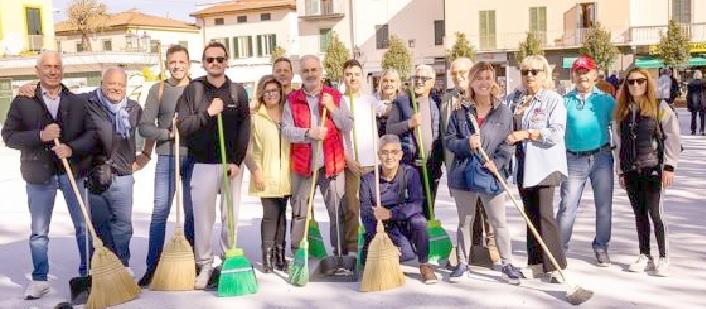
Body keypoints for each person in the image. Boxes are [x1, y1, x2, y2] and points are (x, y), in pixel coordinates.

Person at [1, 51, 94, 300]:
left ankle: (87, 275)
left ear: (62, 70)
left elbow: (91, 135)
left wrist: (71, 148)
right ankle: (40, 279)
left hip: (71, 172)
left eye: (57, 66)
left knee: (83, 227)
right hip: (38, 174)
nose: (52, 71)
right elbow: (8, 136)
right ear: (37, 70)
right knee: (39, 231)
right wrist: (39, 136)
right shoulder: (23, 101)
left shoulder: (76, 101)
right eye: (47, 67)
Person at [176, 42, 251, 289]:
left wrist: (237, 161)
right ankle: (205, 265)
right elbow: (183, 127)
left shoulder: (238, 92)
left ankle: (229, 260)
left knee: (230, 217)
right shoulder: (193, 91)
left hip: (231, 166)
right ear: (203, 63)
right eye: (210, 60)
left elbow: (244, 129)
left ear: (227, 61)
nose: (215, 63)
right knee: (203, 220)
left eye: (220, 59)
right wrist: (208, 113)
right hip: (203, 163)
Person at [444, 62, 522, 283]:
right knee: (465, 222)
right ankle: (462, 263)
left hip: (491, 173)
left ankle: (507, 263)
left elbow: (508, 144)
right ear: (471, 82)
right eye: (479, 78)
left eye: (488, 78)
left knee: (499, 221)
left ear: (493, 81)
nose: (484, 82)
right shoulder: (460, 111)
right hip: (463, 173)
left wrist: (497, 162)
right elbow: (449, 140)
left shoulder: (504, 112)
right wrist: (466, 142)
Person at [282, 55, 353, 255]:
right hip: (304, 165)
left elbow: (347, 125)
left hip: (331, 164)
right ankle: (298, 255)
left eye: (314, 70)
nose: (310, 74)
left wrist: (332, 109)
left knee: (336, 211)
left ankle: (340, 255)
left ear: (321, 71)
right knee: (299, 211)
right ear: (300, 74)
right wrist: (308, 133)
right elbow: (286, 131)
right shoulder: (293, 100)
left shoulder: (335, 96)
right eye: (306, 71)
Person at [505, 55, 568, 281]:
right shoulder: (514, 99)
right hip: (522, 165)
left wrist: (528, 133)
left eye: (535, 71)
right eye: (525, 72)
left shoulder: (553, 100)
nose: (529, 76)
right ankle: (535, 263)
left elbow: (557, 133)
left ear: (544, 74)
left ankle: (556, 266)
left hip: (545, 165)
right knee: (530, 215)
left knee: (544, 214)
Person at [614, 67, 681, 277]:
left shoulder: (660, 107)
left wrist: (669, 166)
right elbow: (618, 142)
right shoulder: (622, 111)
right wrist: (621, 172)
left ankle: (663, 257)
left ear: (647, 82)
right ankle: (645, 255)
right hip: (630, 168)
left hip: (652, 167)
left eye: (640, 81)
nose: (635, 85)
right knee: (639, 214)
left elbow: (672, 136)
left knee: (655, 213)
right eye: (631, 82)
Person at [137, 44, 195, 287]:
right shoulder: (158, 90)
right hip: (167, 157)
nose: (177, 66)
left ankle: (191, 264)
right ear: (167, 65)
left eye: (182, 62)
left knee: (192, 213)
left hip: (194, 158)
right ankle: (152, 266)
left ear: (189, 63)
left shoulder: (197, 88)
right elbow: (144, 126)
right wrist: (168, 132)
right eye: (173, 62)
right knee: (160, 212)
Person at [556, 55, 616, 267]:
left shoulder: (606, 100)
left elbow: (619, 126)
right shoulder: (564, 102)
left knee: (604, 206)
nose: (583, 76)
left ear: (595, 74)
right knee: (567, 206)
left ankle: (601, 246)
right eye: (579, 72)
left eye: (587, 72)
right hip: (573, 159)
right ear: (574, 75)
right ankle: (559, 249)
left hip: (601, 158)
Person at [84, 67, 143, 271]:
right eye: (112, 84)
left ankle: (122, 265)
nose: (116, 88)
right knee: (99, 224)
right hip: (96, 173)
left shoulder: (134, 108)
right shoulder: (87, 103)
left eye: (121, 85)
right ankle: (101, 267)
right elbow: (61, 97)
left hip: (124, 173)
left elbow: (144, 132)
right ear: (102, 83)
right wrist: (31, 89)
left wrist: (144, 155)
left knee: (123, 225)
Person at [359, 135, 437, 284]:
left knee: (419, 221)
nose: (389, 157)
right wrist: (380, 241)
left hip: (402, 221)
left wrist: (391, 213)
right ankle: (382, 252)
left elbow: (417, 204)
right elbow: (366, 214)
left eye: (394, 152)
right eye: (385, 152)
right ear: (378, 155)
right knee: (402, 254)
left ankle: (424, 264)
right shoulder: (368, 180)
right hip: (381, 228)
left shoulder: (410, 173)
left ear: (400, 155)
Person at [386, 64, 443, 219]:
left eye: (423, 78)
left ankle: (426, 240)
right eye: (416, 77)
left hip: (431, 165)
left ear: (432, 82)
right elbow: (390, 129)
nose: (418, 81)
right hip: (409, 164)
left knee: (428, 208)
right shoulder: (402, 101)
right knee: (409, 208)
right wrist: (409, 124)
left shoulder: (436, 102)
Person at [248, 75, 291, 272]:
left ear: (281, 93)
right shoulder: (256, 117)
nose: (271, 94)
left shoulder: (288, 114)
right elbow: (250, 149)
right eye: (267, 91)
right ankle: (266, 258)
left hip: (288, 174)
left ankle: (280, 256)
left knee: (283, 216)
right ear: (262, 95)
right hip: (266, 173)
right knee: (270, 215)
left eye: (275, 90)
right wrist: (256, 171)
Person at [340, 59, 381, 256]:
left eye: (356, 74)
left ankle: (375, 243)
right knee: (352, 208)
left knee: (373, 206)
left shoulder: (371, 100)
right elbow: (338, 136)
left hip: (371, 162)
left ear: (362, 76)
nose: (352, 78)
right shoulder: (340, 102)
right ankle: (352, 248)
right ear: (343, 77)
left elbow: (388, 107)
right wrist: (348, 159)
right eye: (348, 74)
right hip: (350, 164)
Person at [375, 69, 401, 137]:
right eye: (385, 81)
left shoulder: (402, 100)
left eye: (392, 81)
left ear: (398, 84)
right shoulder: (373, 100)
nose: (388, 84)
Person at [687, 70, 705, 135]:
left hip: (693, 102)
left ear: (694, 75)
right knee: (702, 116)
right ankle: (702, 130)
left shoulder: (690, 83)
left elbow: (688, 95)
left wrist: (688, 105)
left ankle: (693, 131)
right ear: (701, 75)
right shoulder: (704, 83)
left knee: (693, 116)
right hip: (703, 102)